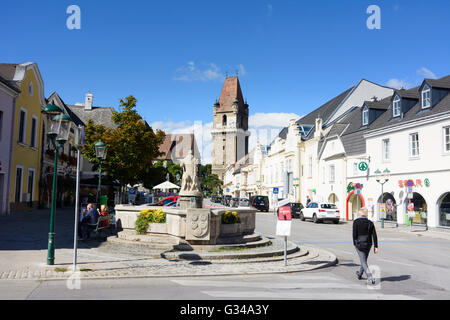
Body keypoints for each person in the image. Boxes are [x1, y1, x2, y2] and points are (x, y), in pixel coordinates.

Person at [353, 207, 378, 285]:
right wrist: (376, 246)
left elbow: (354, 234)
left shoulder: (356, 222)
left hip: (359, 244)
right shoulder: (370, 223)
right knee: (364, 260)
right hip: (368, 244)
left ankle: (370, 276)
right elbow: (374, 235)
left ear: (359, 213)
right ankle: (360, 274)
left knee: (363, 261)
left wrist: (355, 243)